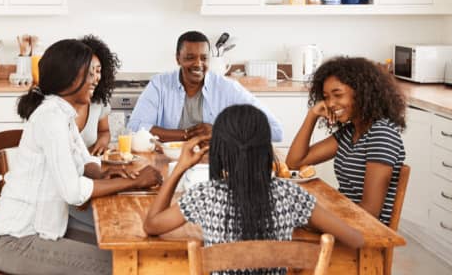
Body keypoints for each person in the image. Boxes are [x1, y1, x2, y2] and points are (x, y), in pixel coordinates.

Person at [0, 39, 163, 275]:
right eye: (89, 73)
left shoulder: (62, 115)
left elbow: (85, 160)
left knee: (127, 250)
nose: (96, 79)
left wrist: (108, 172)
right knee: (124, 265)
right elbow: (73, 192)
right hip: (16, 241)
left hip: (44, 229)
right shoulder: (50, 119)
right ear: (68, 77)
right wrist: (135, 181)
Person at [144, 104, 364, 274]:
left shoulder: (204, 196)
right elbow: (356, 240)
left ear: (218, 152)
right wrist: (310, 221)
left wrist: (180, 168)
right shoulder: (291, 195)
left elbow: (152, 225)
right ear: (266, 148)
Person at [285, 56, 406, 226]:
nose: (330, 103)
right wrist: (312, 115)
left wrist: (321, 219)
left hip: (365, 232)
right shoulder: (350, 132)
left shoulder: (381, 135)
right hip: (346, 221)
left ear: (362, 92)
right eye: (326, 97)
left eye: (338, 95)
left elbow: (370, 211)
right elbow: (295, 162)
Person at [127, 31, 283, 142]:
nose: (198, 64)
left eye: (204, 58)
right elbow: (134, 128)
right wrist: (186, 134)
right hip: (167, 161)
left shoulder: (227, 88)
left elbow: (275, 130)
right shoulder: (159, 85)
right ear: (178, 59)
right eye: (190, 58)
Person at [77, 35, 120, 156]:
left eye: (98, 71)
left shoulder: (97, 101)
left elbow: (104, 131)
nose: (95, 77)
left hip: (86, 167)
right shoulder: (58, 108)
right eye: (89, 71)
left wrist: (102, 143)